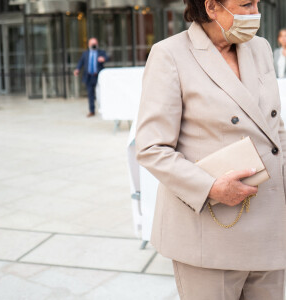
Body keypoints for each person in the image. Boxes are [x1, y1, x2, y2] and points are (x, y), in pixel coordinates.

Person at [135, 0, 286, 299]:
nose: (255, 12)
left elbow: (274, 128)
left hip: (270, 226)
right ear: (212, 6)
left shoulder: (260, 48)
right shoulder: (170, 54)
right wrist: (211, 187)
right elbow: (152, 147)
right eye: (245, 4)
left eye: (256, 3)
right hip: (210, 232)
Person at [74, 38, 108, 117]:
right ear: (89, 45)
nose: (94, 45)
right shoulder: (85, 53)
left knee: (100, 94)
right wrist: (77, 69)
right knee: (90, 94)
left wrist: (104, 59)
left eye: (95, 44)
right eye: (92, 44)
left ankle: (103, 109)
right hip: (89, 76)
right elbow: (81, 62)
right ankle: (92, 111)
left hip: (98, 76)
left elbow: (107, 57)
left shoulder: (101, 52)